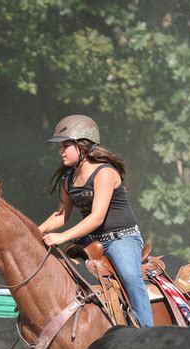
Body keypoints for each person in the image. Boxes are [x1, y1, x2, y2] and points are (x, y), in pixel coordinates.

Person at [39, 114, 154, 327]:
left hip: (121, 239)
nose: (61, 151)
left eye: (65, 146)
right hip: (91, 241)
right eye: (60, 147)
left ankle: (148, 334)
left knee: (130, 278)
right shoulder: (69, 178)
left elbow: (97, 217)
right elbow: (61, 214)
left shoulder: (105, 173)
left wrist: (62, 237)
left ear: (82, 147)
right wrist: (36, 232)